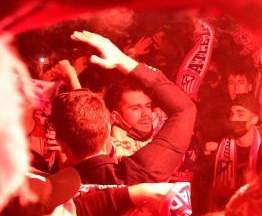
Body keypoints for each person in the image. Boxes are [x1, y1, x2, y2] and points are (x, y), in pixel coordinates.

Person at [52, 31, 196, 185]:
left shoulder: (159, 123)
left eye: (147, 106)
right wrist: (122, 60)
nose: (146, 113)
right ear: (113, 117)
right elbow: (184, 109)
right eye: (135, 108)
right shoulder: (120, 155)